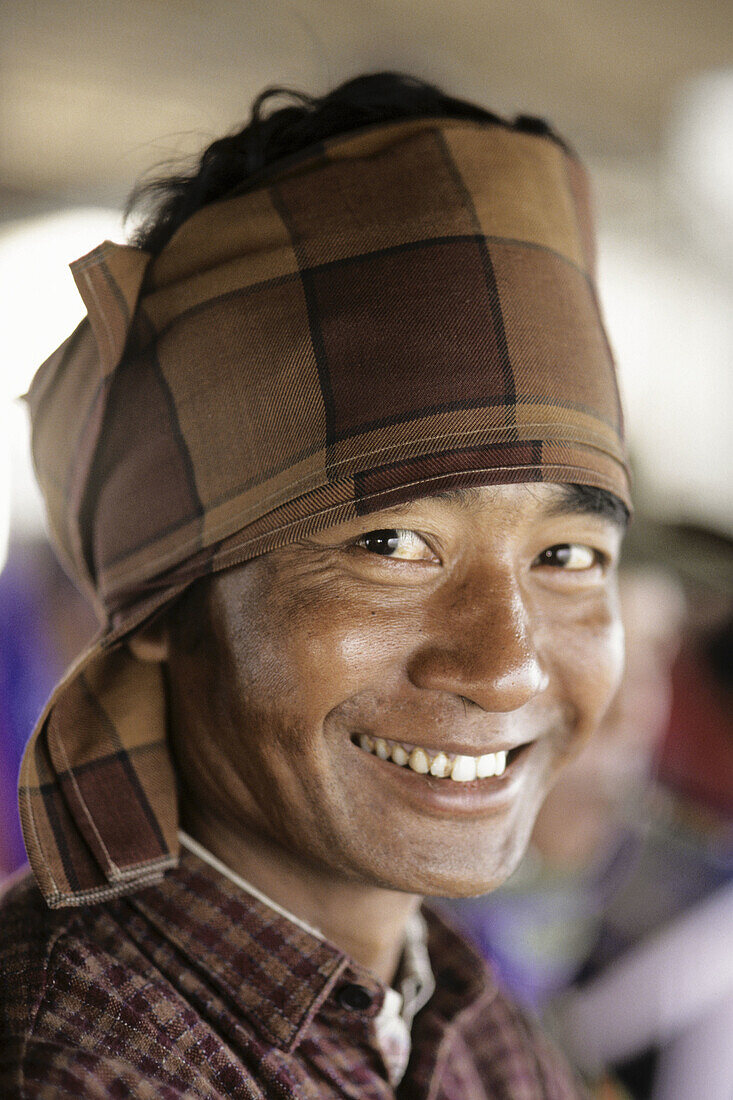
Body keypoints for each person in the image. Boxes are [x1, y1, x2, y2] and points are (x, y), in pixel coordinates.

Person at [0, 73, 631, 1097]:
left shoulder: (460, 1012)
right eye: (393, 541)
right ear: (169, 598)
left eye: (564, 555)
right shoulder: (83, 1064)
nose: (508, 666)